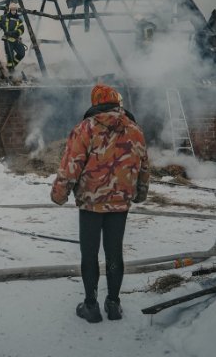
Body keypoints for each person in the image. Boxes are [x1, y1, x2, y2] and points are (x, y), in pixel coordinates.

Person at [50, 83, 149, 323]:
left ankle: (91, 306)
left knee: (90, 253)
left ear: (95, 102)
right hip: (120, 203)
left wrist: (59, 194)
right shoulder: (135, 130)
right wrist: (140, 193)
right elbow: (143, 166)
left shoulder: (85, 129)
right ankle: (113, 304)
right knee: (114, 252)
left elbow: (71, 165)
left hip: (91, 203)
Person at [0, 2, 26, 72]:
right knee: (10, 55)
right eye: (12, 10)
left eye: (15, 10)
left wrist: (15, 33)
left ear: (16, 10)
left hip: (16, 39)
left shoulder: (19, 20)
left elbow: (22, 29)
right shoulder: (4, 17)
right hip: (7, 40)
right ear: (10, 10)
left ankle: (13, 65)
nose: (14, 11)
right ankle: (10, 69)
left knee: (21, 53)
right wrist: (1, 25)